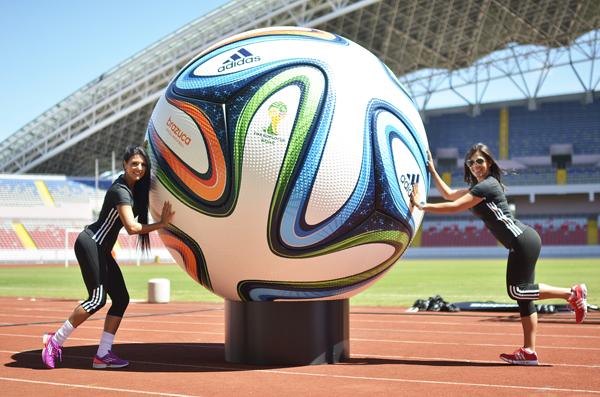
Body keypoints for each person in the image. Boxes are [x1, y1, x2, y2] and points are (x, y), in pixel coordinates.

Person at [410, 143, 587, 366]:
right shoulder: (478, 188)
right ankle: (529, 352)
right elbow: (448, 194)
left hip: (522, 241)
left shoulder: (487, 186)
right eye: (471, 162)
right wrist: (433, 171)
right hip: (523, 241)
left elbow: (455, 206)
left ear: (489, 163)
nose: (475, 166)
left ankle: (572, 293)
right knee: (524, 299)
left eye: (480, 161)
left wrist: (421, 205)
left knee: (517, 291)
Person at [41, 145, 175, 369]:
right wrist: (161, 224)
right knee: (97, 299)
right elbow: (132, 227)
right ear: (124, 165)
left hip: (101, 249)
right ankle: (54, 342)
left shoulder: (133, 190)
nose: (139, 168)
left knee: (121, 299)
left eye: (142, 164)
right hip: (91, 244)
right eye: (134, 163)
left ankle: (103, 354)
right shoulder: (120, 191)